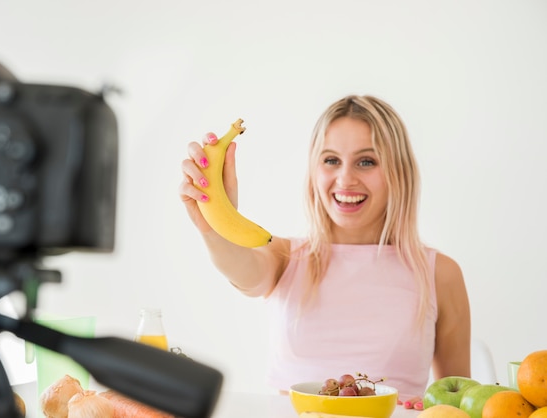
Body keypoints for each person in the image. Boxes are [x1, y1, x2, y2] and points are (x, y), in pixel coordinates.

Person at [179, 94, 471, 409]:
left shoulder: (440, 273)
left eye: (366, 161)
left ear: (399, 171)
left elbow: (460, 404)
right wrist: (212, 222)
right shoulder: (284, 257)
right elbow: (242, 268)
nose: (345, 179)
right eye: (331, 160)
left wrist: (432, 408)